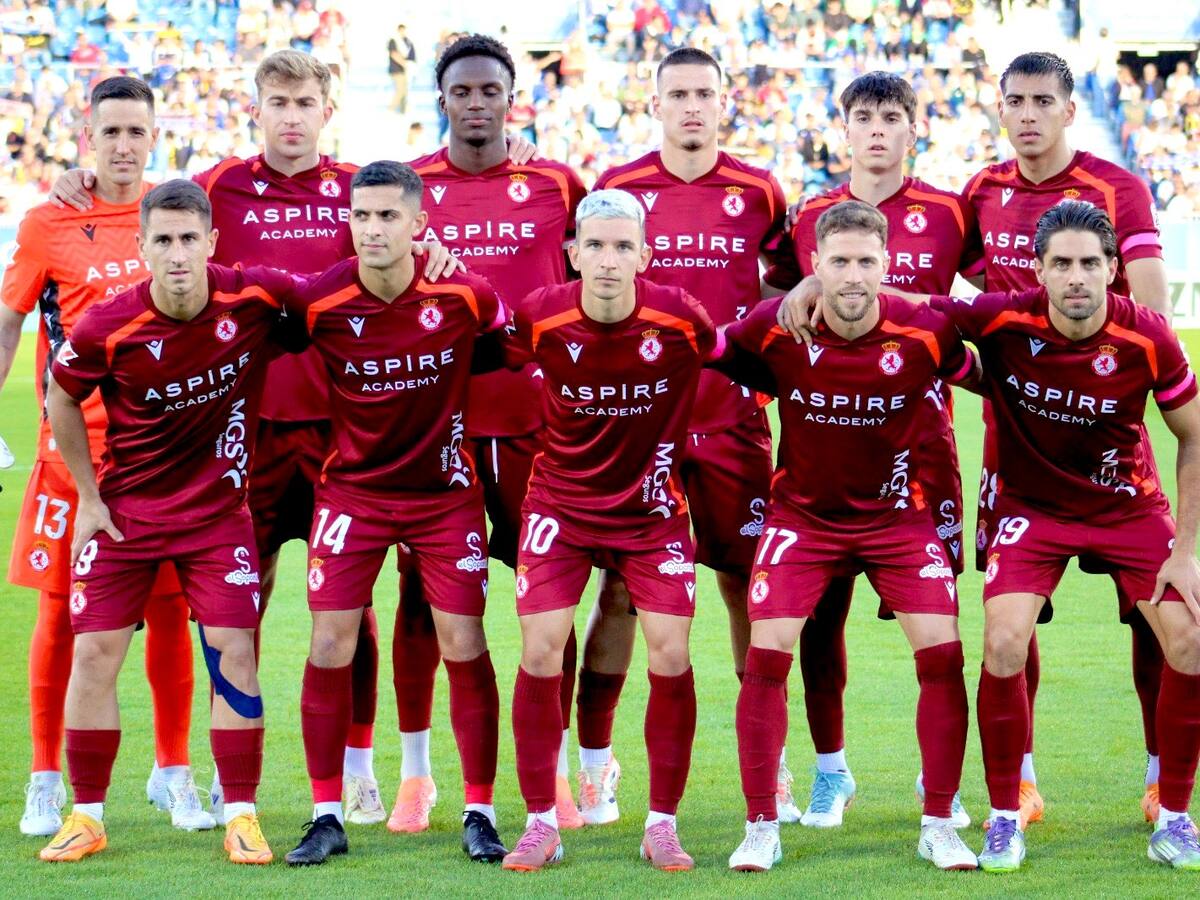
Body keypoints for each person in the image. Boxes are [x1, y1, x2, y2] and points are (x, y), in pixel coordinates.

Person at [49, 51, 460, 827]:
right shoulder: (217, 186)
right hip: (244, 433)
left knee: (351, 608)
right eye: (278, 102)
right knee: (240, 604)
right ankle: (225, 775)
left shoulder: (360, 192)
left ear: (327, 111)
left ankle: (359, 769)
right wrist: (80, 182)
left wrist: (433, 252)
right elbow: (151, 213)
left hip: (342, 428)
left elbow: (410, 252)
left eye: (305, 103)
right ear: (257, 109)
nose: (291, 116)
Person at [928, 202, 1200, 871]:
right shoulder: (1002, 316)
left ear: (1112, 268)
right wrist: (820, 286)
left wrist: (1186, 553)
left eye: (1088, 263)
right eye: (1061, 264)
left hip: (1128, 508)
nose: (1076, 276)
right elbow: (916, 308)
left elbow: (1194, 435)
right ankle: (1004, 815)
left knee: (1191, 638)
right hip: (1035, 510)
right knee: (1002, 640)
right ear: (1039, 271)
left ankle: (1174, 816)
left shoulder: (1149, 338)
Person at [720, 200, 979, 873]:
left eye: (867, 261)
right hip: (803, 519)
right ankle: (760, 826)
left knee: (944, 655)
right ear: (816, 265)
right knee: (768, 653)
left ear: (887, 263)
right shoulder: (776, 327)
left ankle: (939, 823)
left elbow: (989, 378)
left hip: (898, 517)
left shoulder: (926, 331)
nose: (854, 275)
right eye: (839, 261)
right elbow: (710, 350)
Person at [40, 179, 292, 864]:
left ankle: (241, 814)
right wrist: (89, 497)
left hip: (218, 516)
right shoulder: (108, 324)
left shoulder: (254, 298)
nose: (177, 253)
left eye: (189, 239)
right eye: (164, 240)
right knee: (95, 652)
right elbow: (61, 395)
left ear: (211, 242)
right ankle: (86, 816)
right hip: (128, 514)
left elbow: (337, 293)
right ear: (143, 246)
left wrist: (425, 253)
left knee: (234, 651)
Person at [583, 45, 804, 825]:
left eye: (704, 93)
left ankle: (770, 768)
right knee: (619, 590)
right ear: (655, 104)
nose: (691, 106)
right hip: (640, 421)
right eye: (676, 94)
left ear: (723, 102)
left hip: (732, 419)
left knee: (747, 585)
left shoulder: (759, 191)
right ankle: (595, 765)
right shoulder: (621, 189)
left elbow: (784, 283)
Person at [764, 71, 979, 828]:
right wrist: (793, 295)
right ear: (845, 128)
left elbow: (989, 305)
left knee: (941, 626)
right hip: (825, 448)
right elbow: (778, 308)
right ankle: (831, 771)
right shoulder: (808, 214)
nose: (878, 128)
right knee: (821, 621)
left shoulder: (950, 212)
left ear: (914, 129)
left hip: (924, 449)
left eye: (892, 115)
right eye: (864, 116)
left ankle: (945, 784)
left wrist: (911, 305)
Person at [279, 160, 509, 867]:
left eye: (388, 216)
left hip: (444, 495)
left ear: (419, 224)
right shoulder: (318, 301)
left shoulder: (464, 294)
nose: (372, 228)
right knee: (330, 643)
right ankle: (327, 814)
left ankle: (480, 810)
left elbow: (506, 341)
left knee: (463, 640)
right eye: (361, 215)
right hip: (353, 493)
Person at [0, 76, 203, 837]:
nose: (122, 144)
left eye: (135, 131)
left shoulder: (171, 217)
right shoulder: (48, 221)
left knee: (171, 614)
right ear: (87, 136)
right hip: (70, 459)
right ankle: (44, 779)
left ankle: (173, 771)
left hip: (160, 458)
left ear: (155, 136)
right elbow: (10, 319)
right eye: (109, 131)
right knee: (59, 617)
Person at [394, 33, 588, 833]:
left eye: (489, 90)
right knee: (421, 601)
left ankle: (558, 772)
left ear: (513, 98)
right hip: (433, 423)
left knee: (549, 602)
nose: (476, 103)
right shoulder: (409, 188)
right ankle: (415, 776)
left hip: (537, 423)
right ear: (441, 98)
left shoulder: (558, 184)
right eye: (462, 91)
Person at [500, 189, 715, 872]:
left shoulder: (680, 319)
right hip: (560, 507)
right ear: (574, 254)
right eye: (595, 245)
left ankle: (662, 825)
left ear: (644, 256)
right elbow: (488, 351)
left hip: (651, 513)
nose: (609, 260)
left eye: (624, 247)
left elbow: (735, 353)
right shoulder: (541, 315)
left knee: (670, 652)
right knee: (540, 649)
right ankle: (541, 821)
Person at [388, 24, 416, 115]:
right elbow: (394, 54)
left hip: (406, 71)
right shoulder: (393, 41)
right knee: (400, 90)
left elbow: (412, 55)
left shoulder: (407, 41)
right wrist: (404, 64)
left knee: (405, 92)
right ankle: (391, 109)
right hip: (397, 70)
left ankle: (402, 111)